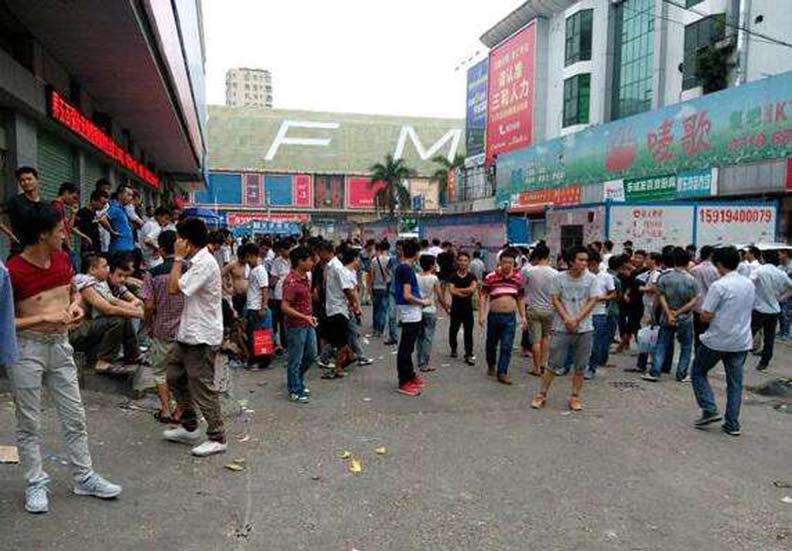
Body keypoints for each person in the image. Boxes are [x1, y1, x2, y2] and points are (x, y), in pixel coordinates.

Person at [6, 203, 121, 514]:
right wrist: (43, 317)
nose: (65, 234)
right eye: (60, 230)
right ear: (42, 234)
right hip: (27, 350)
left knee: (75, 416)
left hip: (60, 346)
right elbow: (5, 323)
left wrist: (75, 307)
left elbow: (73, 292)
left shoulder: (62, 259)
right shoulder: (12, 271)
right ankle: (35, 484)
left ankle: (84, 476)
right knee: (29, 422)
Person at [163, 217, 227, 457]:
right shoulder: (198, 261)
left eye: (179, 239)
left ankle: (217, 436)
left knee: (201, 385)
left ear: (186, 242)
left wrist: (177, 258)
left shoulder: (204, 264)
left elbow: (173, 288)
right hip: (188, 332)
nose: (176, 243)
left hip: (202, 335)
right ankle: (190, 425)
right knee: (174, 375)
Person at [691, 246, 755, 437]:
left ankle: (709, 408)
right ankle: (732, 423)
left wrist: (706, 316)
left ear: (718, 264)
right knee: (735, 383)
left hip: (717, 340)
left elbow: (706, 315)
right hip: (741, 340)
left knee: (698, 371)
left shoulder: (719, 286)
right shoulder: (748, 283)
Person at [531, 246, 598, 412]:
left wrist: (577, 319)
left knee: (580, 366)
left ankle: (575, 397)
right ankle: (542, 394)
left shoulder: (591, 278)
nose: (584, 263)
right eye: (580, 259)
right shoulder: (559, 278)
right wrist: (567, 318)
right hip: (561, 328)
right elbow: (555, 299)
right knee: (553, 364)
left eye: (586, 260)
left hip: (585, 329)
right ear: (571, 261)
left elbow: (592, 300)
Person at [70, 255, 145, 372]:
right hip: (77, 332)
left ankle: (133, 355)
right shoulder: (84, 283)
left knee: (123, 317)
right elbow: (107, 309)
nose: (108, 269)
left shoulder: (100, 283)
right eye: (104, 266)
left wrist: (135, 311)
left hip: (89, 327)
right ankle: (103, 362)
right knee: (117, 320)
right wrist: (138, 314)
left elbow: (114, 301)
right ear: (92, 270)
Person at [139, 230, 184, 422]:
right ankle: (181, 411)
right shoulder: (190, 270)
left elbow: (148, 305)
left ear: (162, 250)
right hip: (185, 332)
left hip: (161, 330)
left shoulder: (153, 274)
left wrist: (149, 324)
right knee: (184, 372)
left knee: (159, 371)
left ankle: (165, 409)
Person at [642, 248, 697, 382]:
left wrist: (668, 313)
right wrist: (678, 312)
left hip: (666, 316)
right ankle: (682, 374)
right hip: (685, 317)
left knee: (662, 343)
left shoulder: (664, 278)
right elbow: (693, 301)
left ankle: (655, 372)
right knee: (686, 346)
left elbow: (660, 297)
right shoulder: (691, 280)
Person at [480, 249, 525, 385]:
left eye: (510, 263)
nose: (507, 265)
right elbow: (483, 295)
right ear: (500, 262)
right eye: (504, 262)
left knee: (507, 345)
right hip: (494, 316)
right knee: (491, 343)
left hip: (510, 317)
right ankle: (491, 364)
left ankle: (502, 372)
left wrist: (523, 316)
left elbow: (520, 298)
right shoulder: (491, 277)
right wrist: (481, 314)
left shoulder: (518, 278)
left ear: (514, 264)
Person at [394, 239, 431, 396]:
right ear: (416, 253)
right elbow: (407, 295)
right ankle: (404, 381)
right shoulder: (407, 270)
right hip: (410, 311)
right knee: (406, 348)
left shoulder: (403, 267)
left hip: (409, 310)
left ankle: (410, 376)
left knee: (407, 347)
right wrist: (423, 302)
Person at [281, 246, 317, 403]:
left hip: (307, 322)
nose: (312, 263)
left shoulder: (306, 278)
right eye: (309, 260)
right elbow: (285, 307)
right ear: (300, 262)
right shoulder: (291, 281)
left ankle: (298, 380)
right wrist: (304, 316)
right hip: (296, 325)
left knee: (311, 354)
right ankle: (294, 389)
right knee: (295, 358)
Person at [750, 249, 792, 371]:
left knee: (749, 334)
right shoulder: (780, 273)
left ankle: (738, 358)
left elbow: (748, 284)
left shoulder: (759, 271)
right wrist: (781, 298)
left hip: (758, 308)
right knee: (769, 338)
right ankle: (764, 362)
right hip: (774, 309)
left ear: (763, 258)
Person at [521, 243, 559, 377]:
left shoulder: (529, 271)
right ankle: (544, 364)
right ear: (548, 256)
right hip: (549, 309)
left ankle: (536, 368)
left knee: (535, 340)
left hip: (533, 309)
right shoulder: (555, 273)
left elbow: (523, 288)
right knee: (546, 337)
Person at [321, 242, 357, 378]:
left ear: (326, 251)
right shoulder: (330, 267)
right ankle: (351, 356)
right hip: (332, 308)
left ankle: (338, 368)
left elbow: (347, 289)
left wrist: (354, 305)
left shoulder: (337, 268)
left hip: (338, 309)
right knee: (337, 340)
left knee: (341, 341)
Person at [586, 250, 616, 380]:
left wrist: (603, 298)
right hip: (583, 312)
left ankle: (592, 367)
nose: (591, 267)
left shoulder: (606, 277)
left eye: (594, 264)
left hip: (599, 312)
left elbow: (613, 293)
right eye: (589, 264)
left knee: (596, 342)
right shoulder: (583, 276)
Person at [242, 242, 271, 371]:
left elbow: (264, 289)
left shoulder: (260, 270)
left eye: (248, 258)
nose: (247, 261)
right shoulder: (254, 270)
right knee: (255, 335)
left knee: (260, 336)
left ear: (252, 256)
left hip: (257, 307)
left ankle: (261, 362)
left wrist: (263, 307)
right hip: (252, 306)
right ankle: (256, 360)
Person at [416, 254, 448, 372]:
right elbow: (439, 296)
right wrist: (446, 308)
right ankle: (424, 363)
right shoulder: (434, 278)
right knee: (428, 337)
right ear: (431, 265)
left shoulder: (415, 276)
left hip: (418, 309)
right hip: (430, 309)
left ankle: (419, 359)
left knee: (419, 337)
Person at [0, 166, 42, 255]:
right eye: (22, 180)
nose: (26, 182)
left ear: (37, 180)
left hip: (40, 252)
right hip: (20, 250)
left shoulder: (45, 204)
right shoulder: (15, 201)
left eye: (29, 179)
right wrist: (10, 234)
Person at [448, 251, 477, 365]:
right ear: (457, 261)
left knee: (468, 332)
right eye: (461, 260)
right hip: (455, 308)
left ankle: (469, 353)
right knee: (453, 330)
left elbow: (472, 289)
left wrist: (458, 290)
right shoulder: (453, 276)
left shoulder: (471, 276)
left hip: (468, 308)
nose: (463, 263)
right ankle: (453, 348)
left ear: (468, 262)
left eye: (465, 260)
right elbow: (451, 291)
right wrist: (465, 291)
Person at [690, 246, 719, 349]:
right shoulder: (716, 270)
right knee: (710, 332)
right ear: (711, 254)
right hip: (712, 306)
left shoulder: (694, 269)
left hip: (697, 306)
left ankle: (698, 353)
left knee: (698, 333)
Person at [74, 190, 109, 270]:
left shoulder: (96, 214)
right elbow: (73, 228)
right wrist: (85, 237)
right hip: (88, 250)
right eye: (102, 203)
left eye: (105, 204)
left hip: (97, 247)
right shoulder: (82, 212)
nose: (103, 206)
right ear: (93, 200)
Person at [269, 239, 292, 351]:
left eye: (288, 249)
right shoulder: (277, 262)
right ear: (281, 250)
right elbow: (273, 279)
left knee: (286, 321)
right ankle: (275, 343)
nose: (287, 252)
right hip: (278, 295)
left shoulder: (294, 260)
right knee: (277, 319)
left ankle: (286, 344)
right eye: (285, 250)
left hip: (290, 295)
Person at [369, 240, 392, 338]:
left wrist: (370, 287)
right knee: (383, 309)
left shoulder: (374, 260)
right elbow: (391, 274)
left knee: (376, 308)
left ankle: (375, 328)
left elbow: (372, 275)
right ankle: (380, 329)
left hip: (376, 287)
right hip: (386, 287)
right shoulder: (390, 259)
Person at [222, 245, 251, 318]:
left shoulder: (250, 265)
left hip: (250, 295)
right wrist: (226, 289)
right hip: (237, 296)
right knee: (238, 317)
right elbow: (221, 275)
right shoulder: (233, 265)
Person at [106, 185, 135, 253]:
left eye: (131, 196)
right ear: (120, 195)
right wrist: (111, 231)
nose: (131, 198)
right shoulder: (115, 208)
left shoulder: (123, 209)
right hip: (120, 248)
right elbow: (102, 219)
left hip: (127, 247)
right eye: (128, 195)